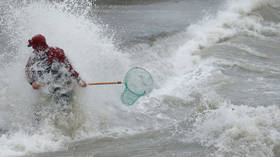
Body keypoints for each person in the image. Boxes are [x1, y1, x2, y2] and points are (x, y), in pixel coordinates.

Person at [25, 34, 87, 111]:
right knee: (38, 109)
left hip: (61, 83)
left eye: (34, 46)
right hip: (44, 84)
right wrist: (32, 82)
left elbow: (69, 67)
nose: (33, 48)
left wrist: (79, 80)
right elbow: (27, 70)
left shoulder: (56, 52)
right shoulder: (34, 55)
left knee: (64, 107)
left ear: (39, 46)